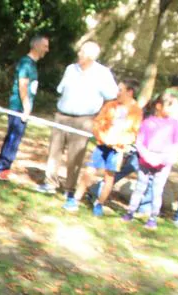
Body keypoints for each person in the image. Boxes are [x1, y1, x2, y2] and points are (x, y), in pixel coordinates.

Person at [36, 41, 118, 196]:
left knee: (75, 156)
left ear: (91, 56)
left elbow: (113, 95)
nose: (79, 54)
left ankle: (69, 188)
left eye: (82, 52)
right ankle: (50, 183)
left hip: (84, 120)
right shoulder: (70, 69)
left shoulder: (103, 73)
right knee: (54, 151)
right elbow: (61, 88)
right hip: (62, 115)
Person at [65, 80, 143, 216]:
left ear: (130, 92)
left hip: (117, 150)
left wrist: (118, 143)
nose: (117, 93)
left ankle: (99, 204)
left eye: (121, 90)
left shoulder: (136, 111)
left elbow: (133, 133)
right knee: (89, 171)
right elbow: (97, 123)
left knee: (109, 177)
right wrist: (102, 137)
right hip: (102, 145)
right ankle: (75, 199)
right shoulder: (110, 105)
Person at [121, 90, 178, 229]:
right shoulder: (148, 122)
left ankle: (152, 217)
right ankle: (130, 211)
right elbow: (140, 142)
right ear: (159, 105)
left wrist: (162, 159)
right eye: (170, 105)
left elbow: (176, 144)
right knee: (140, 187)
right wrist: (147, 156)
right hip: (145, 161)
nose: (173, 109)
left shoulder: (176, 124)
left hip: (163, 163)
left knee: (157, 190)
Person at [0, 35, 50, 179]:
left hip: (22, 107)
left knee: (14, 136)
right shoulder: (26, 63)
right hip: (18, 107)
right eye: (45, 46)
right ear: (36, 46)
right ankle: (2, 168)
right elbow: (22, 85)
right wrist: (26, 107)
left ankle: (3, 165)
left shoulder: (32, 64)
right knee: (13, 137)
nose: (47, 50)